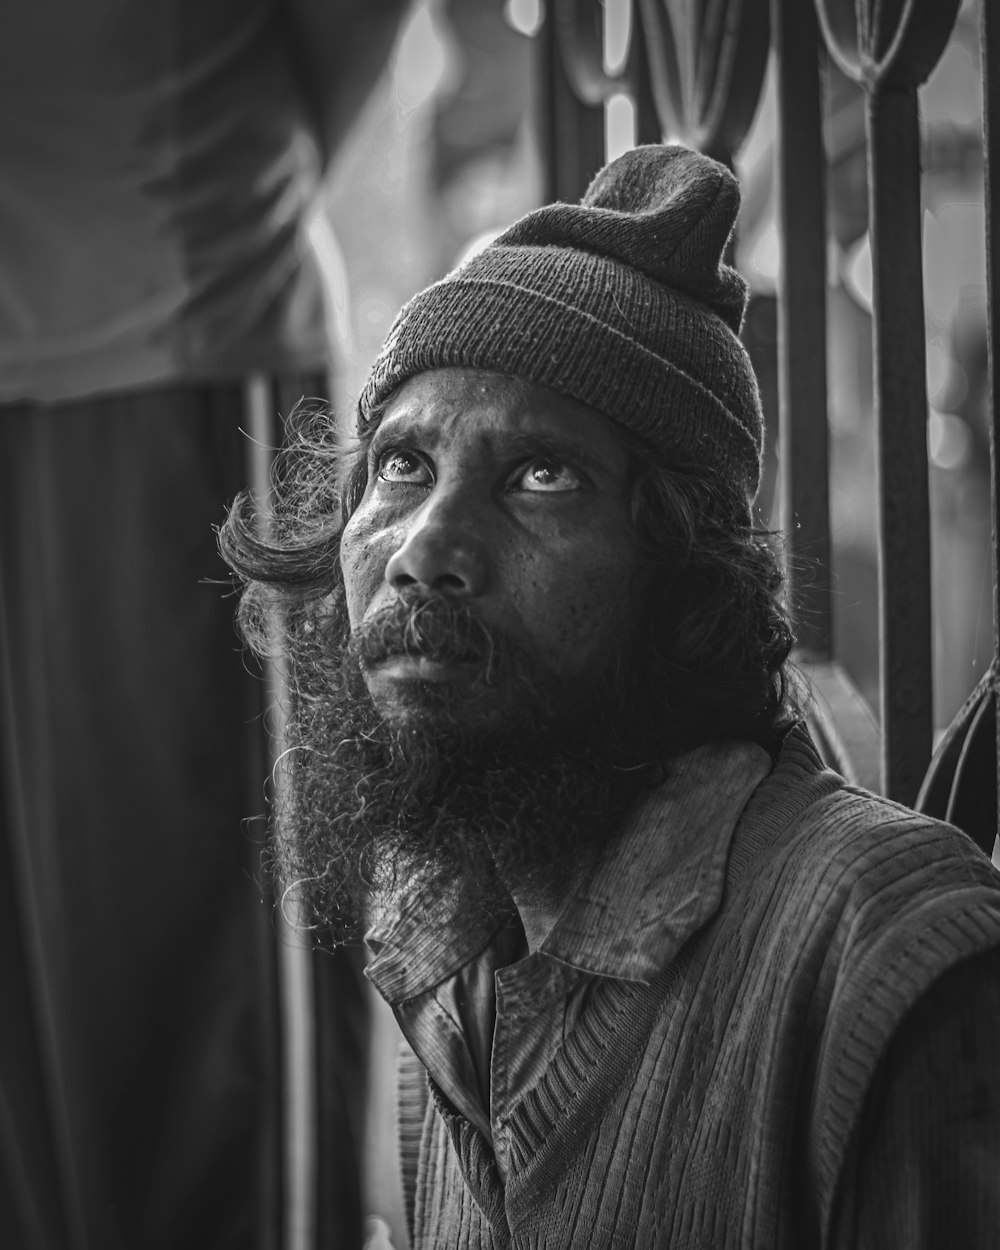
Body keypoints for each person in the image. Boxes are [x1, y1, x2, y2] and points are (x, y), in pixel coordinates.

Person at [221, 144, 1000, 1247]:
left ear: (683, 572)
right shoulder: (447, 961)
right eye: (401, 465)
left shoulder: (876, 946)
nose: (427, 547)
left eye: (542, 475)